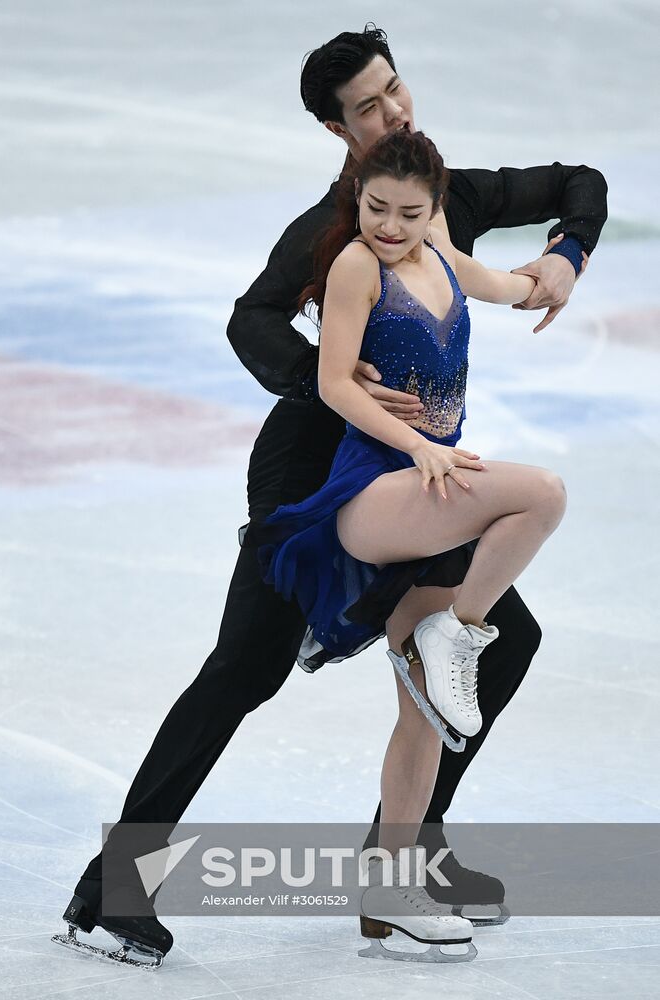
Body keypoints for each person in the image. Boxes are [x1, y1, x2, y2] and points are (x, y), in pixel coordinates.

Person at [53, 24, 607, 968]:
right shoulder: (332, 232)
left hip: (411, 474)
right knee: (244, 670)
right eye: (368, 107)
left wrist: (566, 254)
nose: (393, 111)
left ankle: (396, 866)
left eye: (395, 90)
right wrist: (332, 378)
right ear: (335, 128)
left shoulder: (447, 195)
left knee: (502, 642)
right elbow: (249, 318)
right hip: (317, 477)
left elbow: (576, 183)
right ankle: (111, 893)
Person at [245, 126, 568, 962]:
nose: (388, 225)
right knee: (541, 493)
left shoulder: (444, 257)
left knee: (422, 715)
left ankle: (390, 893)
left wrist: (559, 267)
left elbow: (507, 284)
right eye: (374, 207)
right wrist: (417, 443)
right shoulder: (358, 267)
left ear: (434, 210)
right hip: (375, 491)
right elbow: (329, 381)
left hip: (428, 495)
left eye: (408, 212)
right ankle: (457, 626)